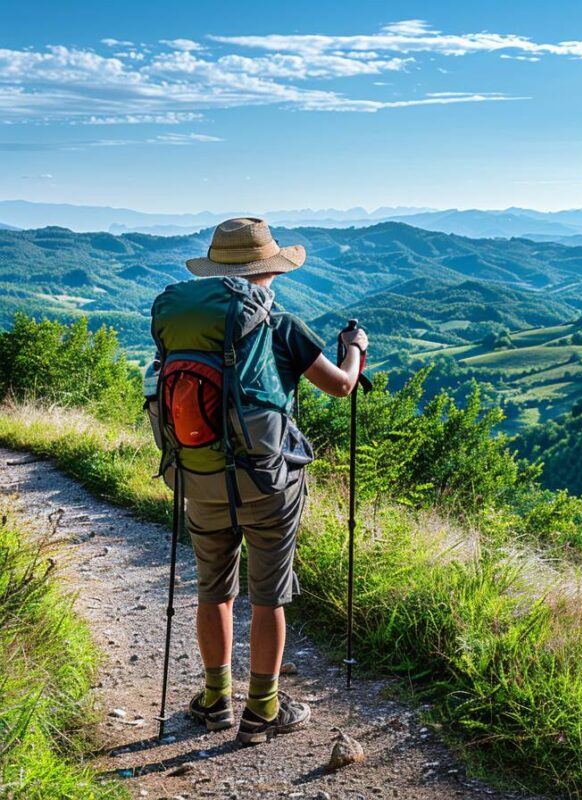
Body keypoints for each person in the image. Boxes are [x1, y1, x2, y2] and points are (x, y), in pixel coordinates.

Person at [177, 218, 368, 744]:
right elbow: (342, 386)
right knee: (268, 596)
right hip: (269, 483)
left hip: (202, 479)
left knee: (213, 590)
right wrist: (355, 346)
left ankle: (214, 700)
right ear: (270, 269)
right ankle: (261, 710)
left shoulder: (187, 328)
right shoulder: (282, 326)